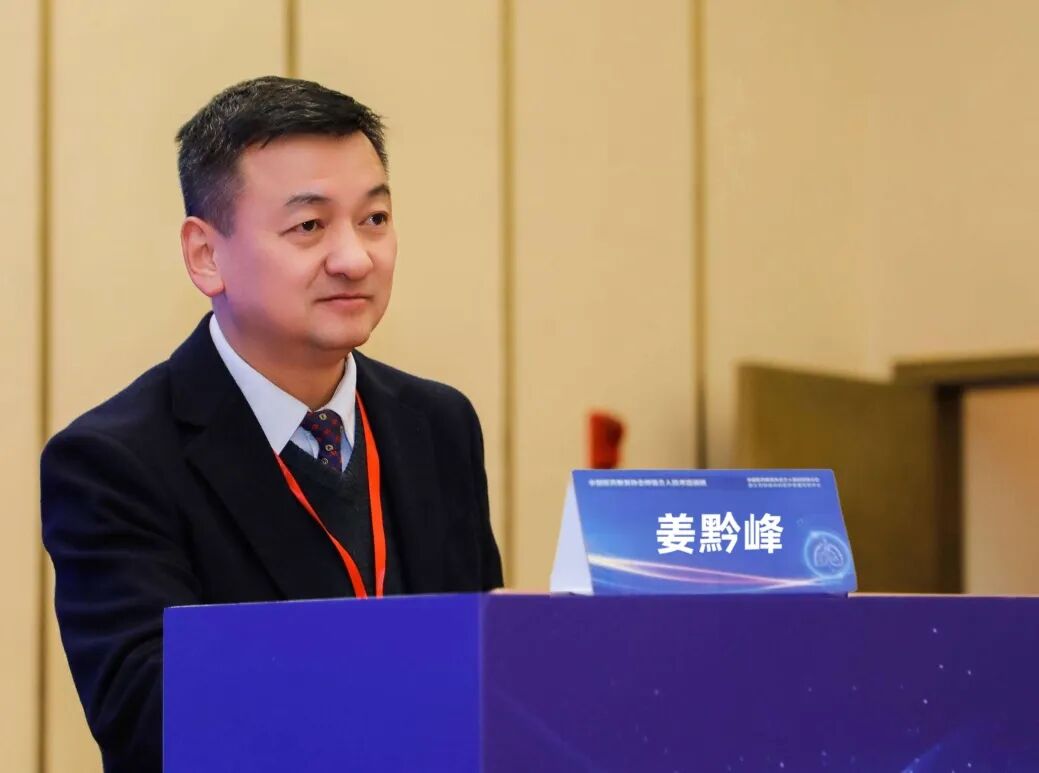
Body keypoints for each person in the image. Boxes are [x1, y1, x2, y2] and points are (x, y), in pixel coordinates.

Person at [41, 76, 503, 773]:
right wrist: (404, 680)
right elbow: (153, 722)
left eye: (374, 218)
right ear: (206, 254)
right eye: (309, 226)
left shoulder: (438, 423)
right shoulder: (114, 461)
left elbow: (483, 678)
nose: (355, 258)